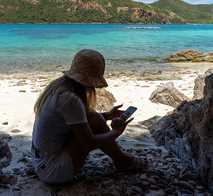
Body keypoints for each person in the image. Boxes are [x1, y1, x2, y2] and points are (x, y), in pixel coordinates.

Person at [31, 49, 148, 184]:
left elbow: (79, 123)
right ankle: (123, 161)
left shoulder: (58, 87)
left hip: (41, 160)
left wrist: (107, 115)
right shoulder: (70, 99)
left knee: (95, 117)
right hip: (52, 170)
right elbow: (89, 144)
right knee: (94, 118)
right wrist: (116, 131)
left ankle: (122, 159)